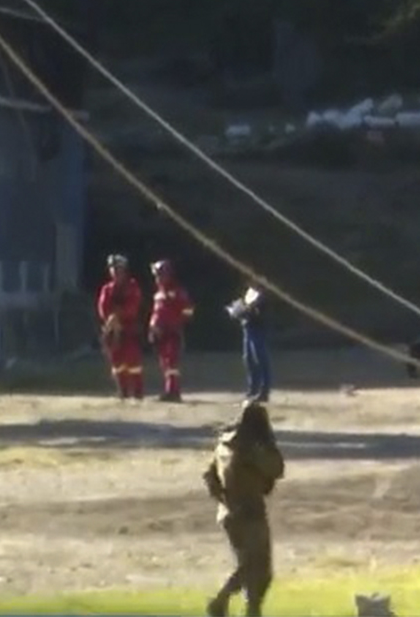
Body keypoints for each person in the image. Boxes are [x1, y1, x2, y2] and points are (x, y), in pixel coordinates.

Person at [202, 400, 285, 617]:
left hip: (229, 513)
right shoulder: (252, 447)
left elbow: (209, 476)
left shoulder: (224, 445)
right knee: (257, 568)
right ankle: (226, 602)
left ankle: (246, 607)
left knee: (248, 566)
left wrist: (223, 499)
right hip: (250, 512)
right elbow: (276, 468)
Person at [96, 254, 144, 401]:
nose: (115, 273)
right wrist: (109, 319)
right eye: (112, 269)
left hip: (129, 329)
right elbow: (102, 307)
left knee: (133, 361)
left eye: (118, 269)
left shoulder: (132, 286)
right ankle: (122, 391)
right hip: (113, 330)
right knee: (117, 361)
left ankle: (137, 392)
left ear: (124, 270)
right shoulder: (107, 289)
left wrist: (118, 315)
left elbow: (134, 306)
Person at [148, 259, 195, 402]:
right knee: (165, 363)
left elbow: (188, 311)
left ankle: (173, 392)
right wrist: (153, 328)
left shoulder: (178, 293)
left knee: (171, 363)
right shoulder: (158, 294)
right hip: (160, 334)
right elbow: (156, 313)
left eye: (160, 275)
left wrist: (173, 324)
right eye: (156, 276)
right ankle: (169, 390)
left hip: (172, 334)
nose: (158, 279)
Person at [226, 281, 271, 403]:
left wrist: (244, 310)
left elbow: (255, 310)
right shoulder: (250, 292)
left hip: (257, 328)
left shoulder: (261, 294)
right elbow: (246, 306)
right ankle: (253, 388)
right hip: (247, 327)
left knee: (260, 358)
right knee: (248, 359)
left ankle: (263, 391)